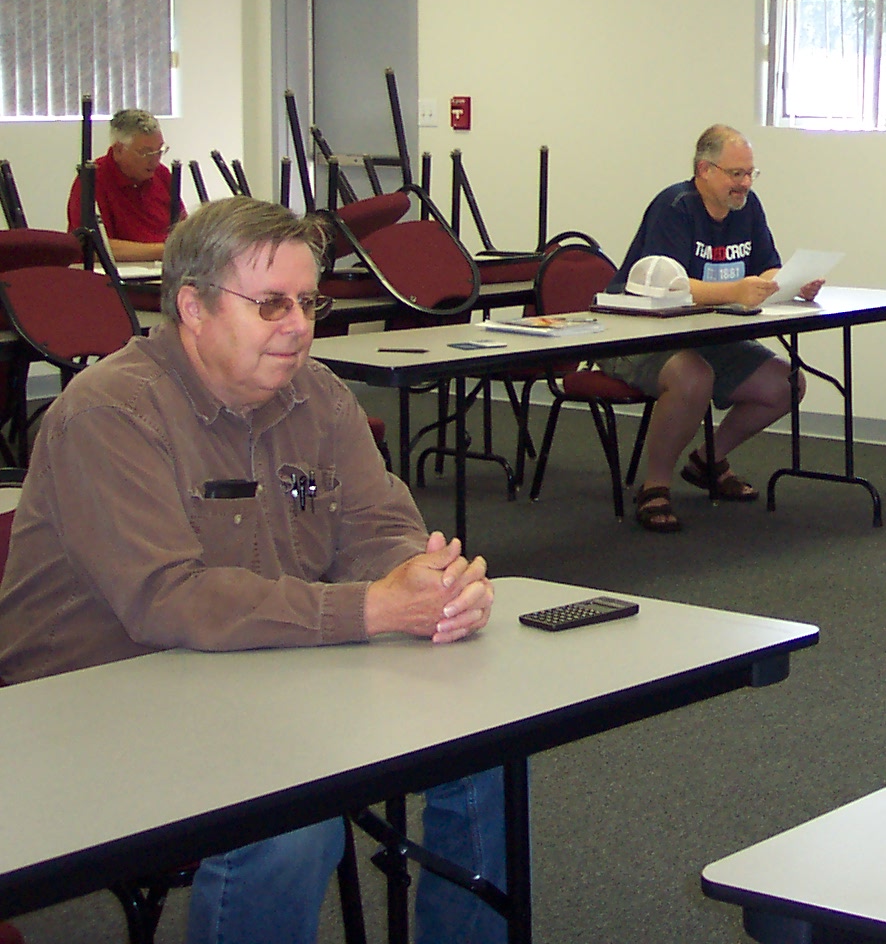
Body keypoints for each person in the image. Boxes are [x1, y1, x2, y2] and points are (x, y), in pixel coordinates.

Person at [0, 197, 506, 944]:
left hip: (261, 672)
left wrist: (429, 582)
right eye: (271, 304)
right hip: (98, 706)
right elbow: (168, 599)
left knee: (481, 742)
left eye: (308, 302)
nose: (298, 325)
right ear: (193, 307)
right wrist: (373, 608)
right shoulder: (108, 413)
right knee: (292, 822)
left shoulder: (318, 394)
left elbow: (376, 526)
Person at [602, 125, 823, 534]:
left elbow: (767, 268)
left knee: (787, 383)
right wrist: (736, 291)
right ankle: (655, 487)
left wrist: (792, 283)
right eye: (736, 173)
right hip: (637, 335)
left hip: (706, 334)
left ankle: (708, 461)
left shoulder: (747, 208)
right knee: (692, 377)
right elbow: (668, 286)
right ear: (704, 170)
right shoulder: (675, 207)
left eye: (750, 173)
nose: (745, 183)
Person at [66, 107, 185, 261]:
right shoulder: (92, 180)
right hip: (117, 272)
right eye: (145, 152)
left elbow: (185, 230)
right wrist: (165, 250)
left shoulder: (161, 174)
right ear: (118, 150)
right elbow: (92, 247)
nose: (155, 160)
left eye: (160, 150)